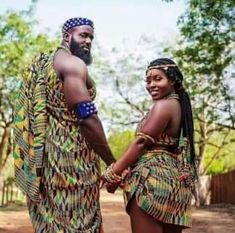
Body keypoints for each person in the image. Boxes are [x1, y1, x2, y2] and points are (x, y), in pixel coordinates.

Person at [13, 17, 116, 233]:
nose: (88, 41)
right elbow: (87, 118)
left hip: (46, 160)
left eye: (91, 37)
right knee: (80, 222)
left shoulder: (46, 63)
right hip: (72, 161)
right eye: (83, 35)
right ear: (67, 36)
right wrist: (112, 162)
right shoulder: (72, 64)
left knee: (54, 221)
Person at [101, 58, 197, 233]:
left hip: (152, 181)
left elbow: (141, 142)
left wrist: (112, 172)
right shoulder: (178, 107)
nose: (151, 84)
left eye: (158, 79)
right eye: (148, 80)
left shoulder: (163, 106)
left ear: (173, 80)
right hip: (174, 183)